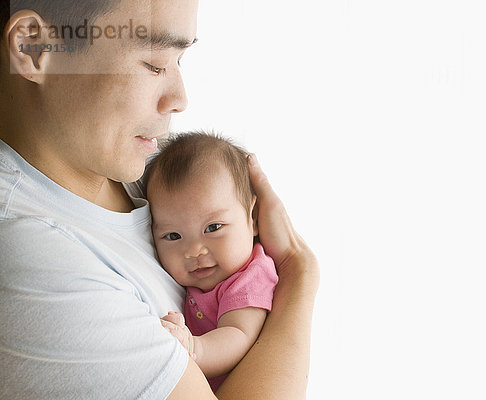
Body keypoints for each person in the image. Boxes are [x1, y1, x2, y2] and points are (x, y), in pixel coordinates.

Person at [0, 1, 319, 399]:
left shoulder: (144, 170)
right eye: (154, 64)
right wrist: (298, 270)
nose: (180, 98)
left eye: (180, 61)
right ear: (34, 48)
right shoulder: (35, 261)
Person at [144, 132, 279, 392]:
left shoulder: (251, 275)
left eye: (213, 227)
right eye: (173, 236)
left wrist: (193, 348)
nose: (193, 250)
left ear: (253, 217)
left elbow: (238, 335)